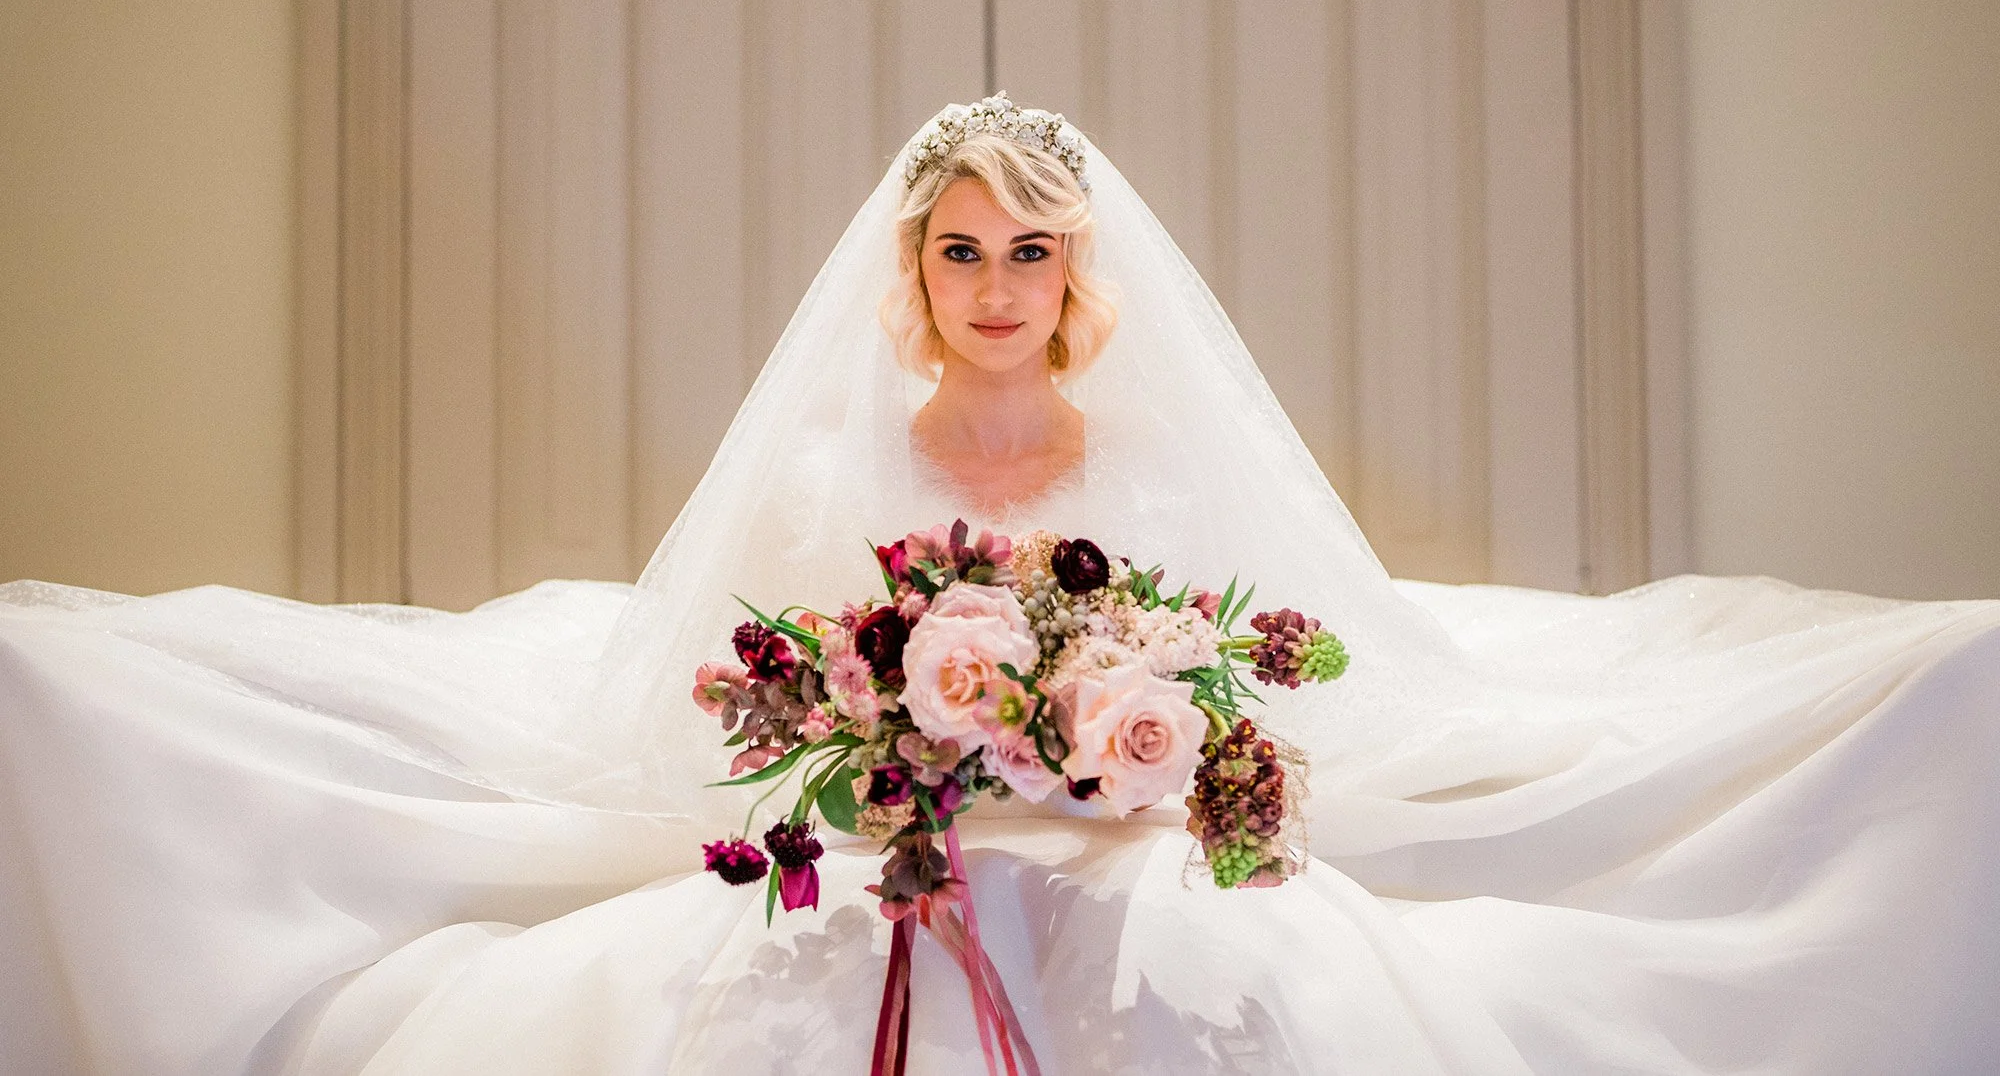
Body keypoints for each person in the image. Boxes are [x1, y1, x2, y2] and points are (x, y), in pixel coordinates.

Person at [2, 95, 1997, 1074]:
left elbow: (1250, 665)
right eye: (960, 255)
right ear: (919, 275)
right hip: (917, 812)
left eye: (1026, 255)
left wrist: (1127, 731)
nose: (994, 289)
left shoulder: (1144, 446)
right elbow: (756, 676)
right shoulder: (833, 447)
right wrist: (892, 736)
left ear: (1072, 275)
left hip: (1096, 809)